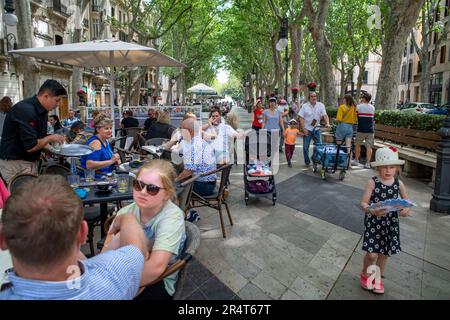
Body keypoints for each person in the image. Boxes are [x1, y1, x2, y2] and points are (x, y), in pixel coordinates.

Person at [0, 175, 149, 300]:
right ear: (83, 233)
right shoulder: (113, 277)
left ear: (2, 239)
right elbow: (136, 250)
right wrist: (127, 218)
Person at [103, 160, 186, 300]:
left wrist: (114, 288)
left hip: (158, 280)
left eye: (152, 188)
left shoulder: (171, 217)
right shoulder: (126, 211)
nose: (142, 192)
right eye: (138, 185)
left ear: (167, 194)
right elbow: (106, 254)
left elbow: (156, 267)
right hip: (126, 271)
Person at [359, 147, 410, 294]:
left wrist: (406, 209)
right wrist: (371, 210)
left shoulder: (398, 184)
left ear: (397, 168)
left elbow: (407, 201)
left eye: (392, 167)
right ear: (378, 168)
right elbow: (363, 203)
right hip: (374, 222)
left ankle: (377, 278)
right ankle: (365, 273)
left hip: (391, 224)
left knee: (384, 254)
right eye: (384, 167)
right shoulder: (372, 182)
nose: (388, 171)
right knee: (372, 254)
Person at [0, 80, 67, 184]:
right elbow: (31, 146)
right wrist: (51, 138)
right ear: (46, 96)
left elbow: (38, 139)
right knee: (22, 199)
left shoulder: (42, 111)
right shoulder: (26, 110)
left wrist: (54, 150)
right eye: (57, 100)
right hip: (16, 164)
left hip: (26, 162)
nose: (58, 104)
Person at [176, 118, 216, 197]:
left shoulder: (193, 146)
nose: (180, 132)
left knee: (170, 188)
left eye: (181, 129)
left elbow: (188, 172)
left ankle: (183, 207)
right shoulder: (200, 141)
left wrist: (173, 181)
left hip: (203, 186)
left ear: (189, 131)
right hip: (209, 183)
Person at [298, 91, 331, 167]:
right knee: (305, 147)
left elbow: (325, 115)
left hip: (317, 128)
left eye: (315, 96)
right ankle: (307, 161)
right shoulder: (305, 106)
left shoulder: (321, 105)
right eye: (312, 96)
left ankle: (315, 159)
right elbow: (301, 118)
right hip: (307, 129)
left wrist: (327, 123)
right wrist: (303, 129)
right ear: (309, 98)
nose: (314, 98)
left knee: (319, 146)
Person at [354, 92, 375, 168]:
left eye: (362, 97)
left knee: (357, 144)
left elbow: (355, 116)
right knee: (369, 147)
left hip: (361, 129)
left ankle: (356, 160)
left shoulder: (359, 107)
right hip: (370, 130)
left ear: (364, 98)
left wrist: (359, 104)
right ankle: (368, 163)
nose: (361, 99)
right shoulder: (372, 107)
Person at [335, 94, 357, 158]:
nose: (343, 100)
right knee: (348, 146)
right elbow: (355, 119)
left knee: (338, 145)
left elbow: (339, 119)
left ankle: (337, 160)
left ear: (346, 99)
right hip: (350, 127)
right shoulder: (354, 107)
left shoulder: (342, 107)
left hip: (342, 126)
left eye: (344, 99)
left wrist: (335, 120)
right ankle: (349, 163)